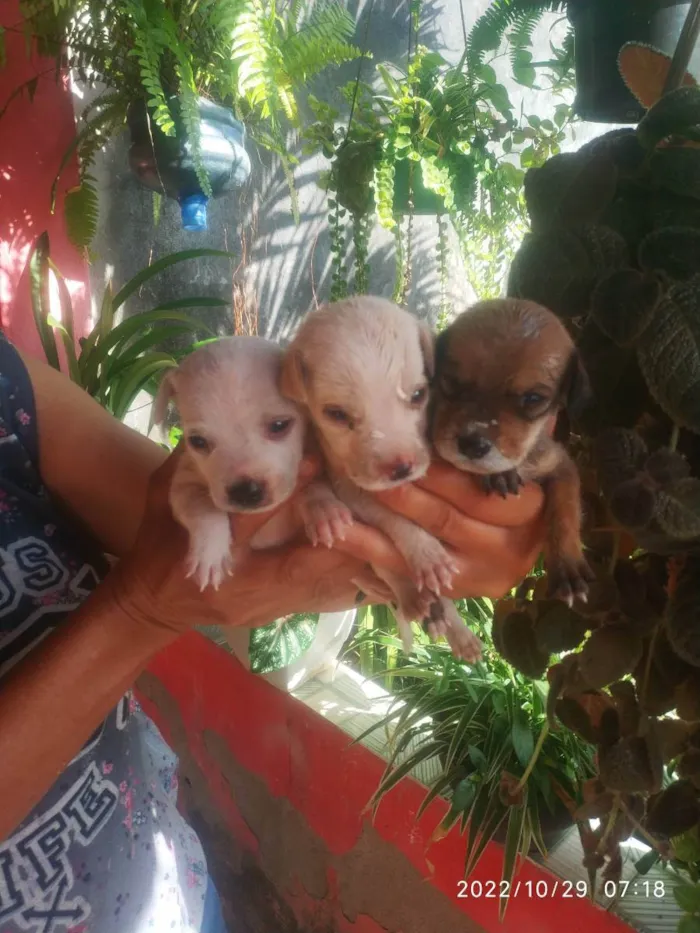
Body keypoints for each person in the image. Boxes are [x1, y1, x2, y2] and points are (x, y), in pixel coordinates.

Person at [0, 333, 544, 932]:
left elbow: (224, 541)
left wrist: (428, 531)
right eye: (202, 441)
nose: (246, 475)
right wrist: (142, 610)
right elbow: (191, 545)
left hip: (171, 884)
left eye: (278, 427)